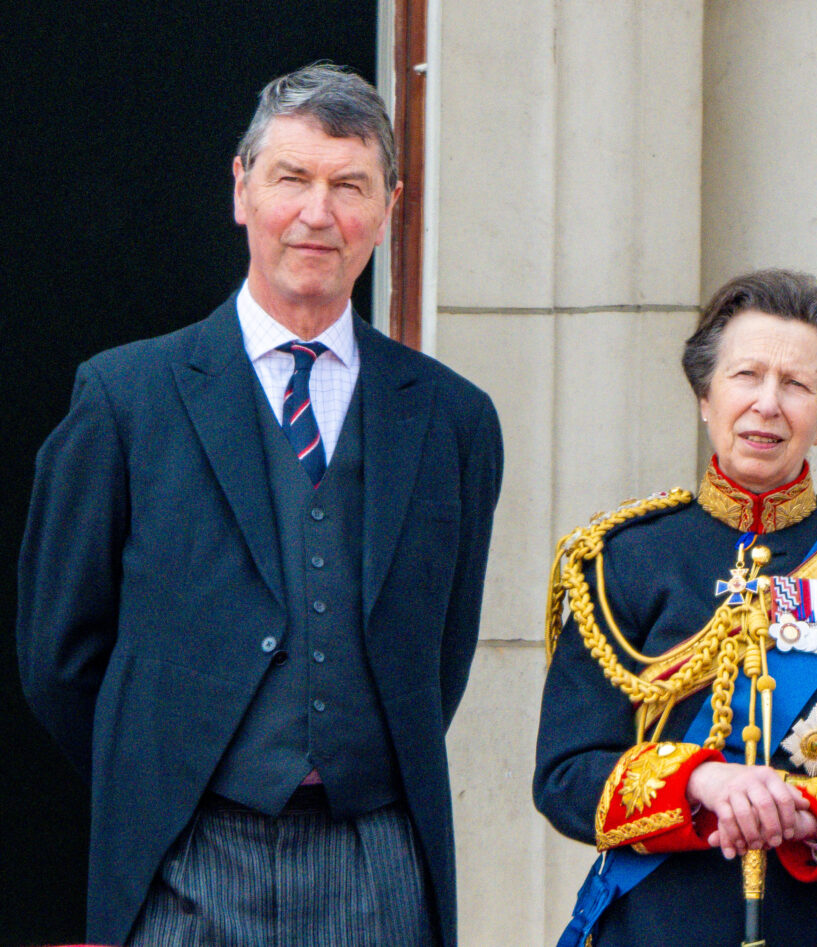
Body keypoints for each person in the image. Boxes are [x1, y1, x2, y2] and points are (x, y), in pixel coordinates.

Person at [18, 63, 502, 947]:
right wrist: (159, 771)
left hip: (377, 858)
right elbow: (59, 653)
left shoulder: (453, 420)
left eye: (349, 185)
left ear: (388, 207)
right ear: (242, 190)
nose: (319, 213)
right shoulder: (126, 398)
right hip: (184, 857)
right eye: (293, 179)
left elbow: (443, 654)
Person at [534, 269, 817, 945]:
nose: (767, 404)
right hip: (660, 923)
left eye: (796, 385)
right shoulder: (622, 557)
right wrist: (702, 781)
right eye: (746, 375)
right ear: (705, 396)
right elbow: (566, 773)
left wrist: (805, 813)